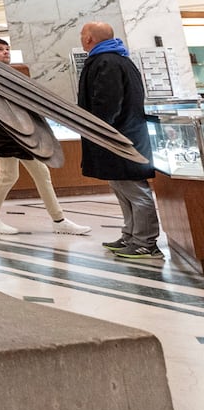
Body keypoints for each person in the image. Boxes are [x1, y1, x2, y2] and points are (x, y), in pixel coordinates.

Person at [0, 38, 89, 236]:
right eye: (0, 49)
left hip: (15, 132)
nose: (6, 52)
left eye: (7, 49)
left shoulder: (6, 73)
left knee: (10, 175)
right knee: (35, 173)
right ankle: (58, 220)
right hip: (10, 133)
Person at [77, 22, 162, 261]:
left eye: (83, 34)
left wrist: (100, 130)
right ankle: (131, 235)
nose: (82, 38)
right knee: (123, 188)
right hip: (121, 136)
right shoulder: (114, 59)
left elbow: (107, 103)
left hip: (120, 138)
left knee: (135, 190)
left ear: (91, 38)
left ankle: (145, 242)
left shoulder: (107, 62)